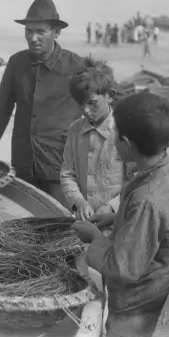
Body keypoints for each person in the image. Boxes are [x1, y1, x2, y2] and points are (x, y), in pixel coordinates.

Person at [72, 93, 169, 337]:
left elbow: (123, 268)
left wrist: (95, 237)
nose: (113, 138)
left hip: (139, 306)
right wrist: (117, 219)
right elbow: (163, 223)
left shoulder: (147, 200)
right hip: (160, 286)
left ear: (126, 143)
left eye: (115, 134)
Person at [0, 0, 85, 208]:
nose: (33, 38)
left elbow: (106, 102)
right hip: (23, 160)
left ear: (56, 32)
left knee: (60, 222)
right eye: (28, 31)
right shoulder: (17, 63)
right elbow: (3, 107)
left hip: (60, 164)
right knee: (27, 220)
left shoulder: (76, 66)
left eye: (40, 32)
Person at [60, 57, 127, 221]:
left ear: (109, 96)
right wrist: (79, 202)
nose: (86, 111)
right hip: (85, 221)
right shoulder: (75, 130)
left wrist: (111, 206)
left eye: (92, 103)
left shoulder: (125, 131)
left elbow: (136, 180)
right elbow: (67, 174)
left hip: (118, 221)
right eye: (80, 104)